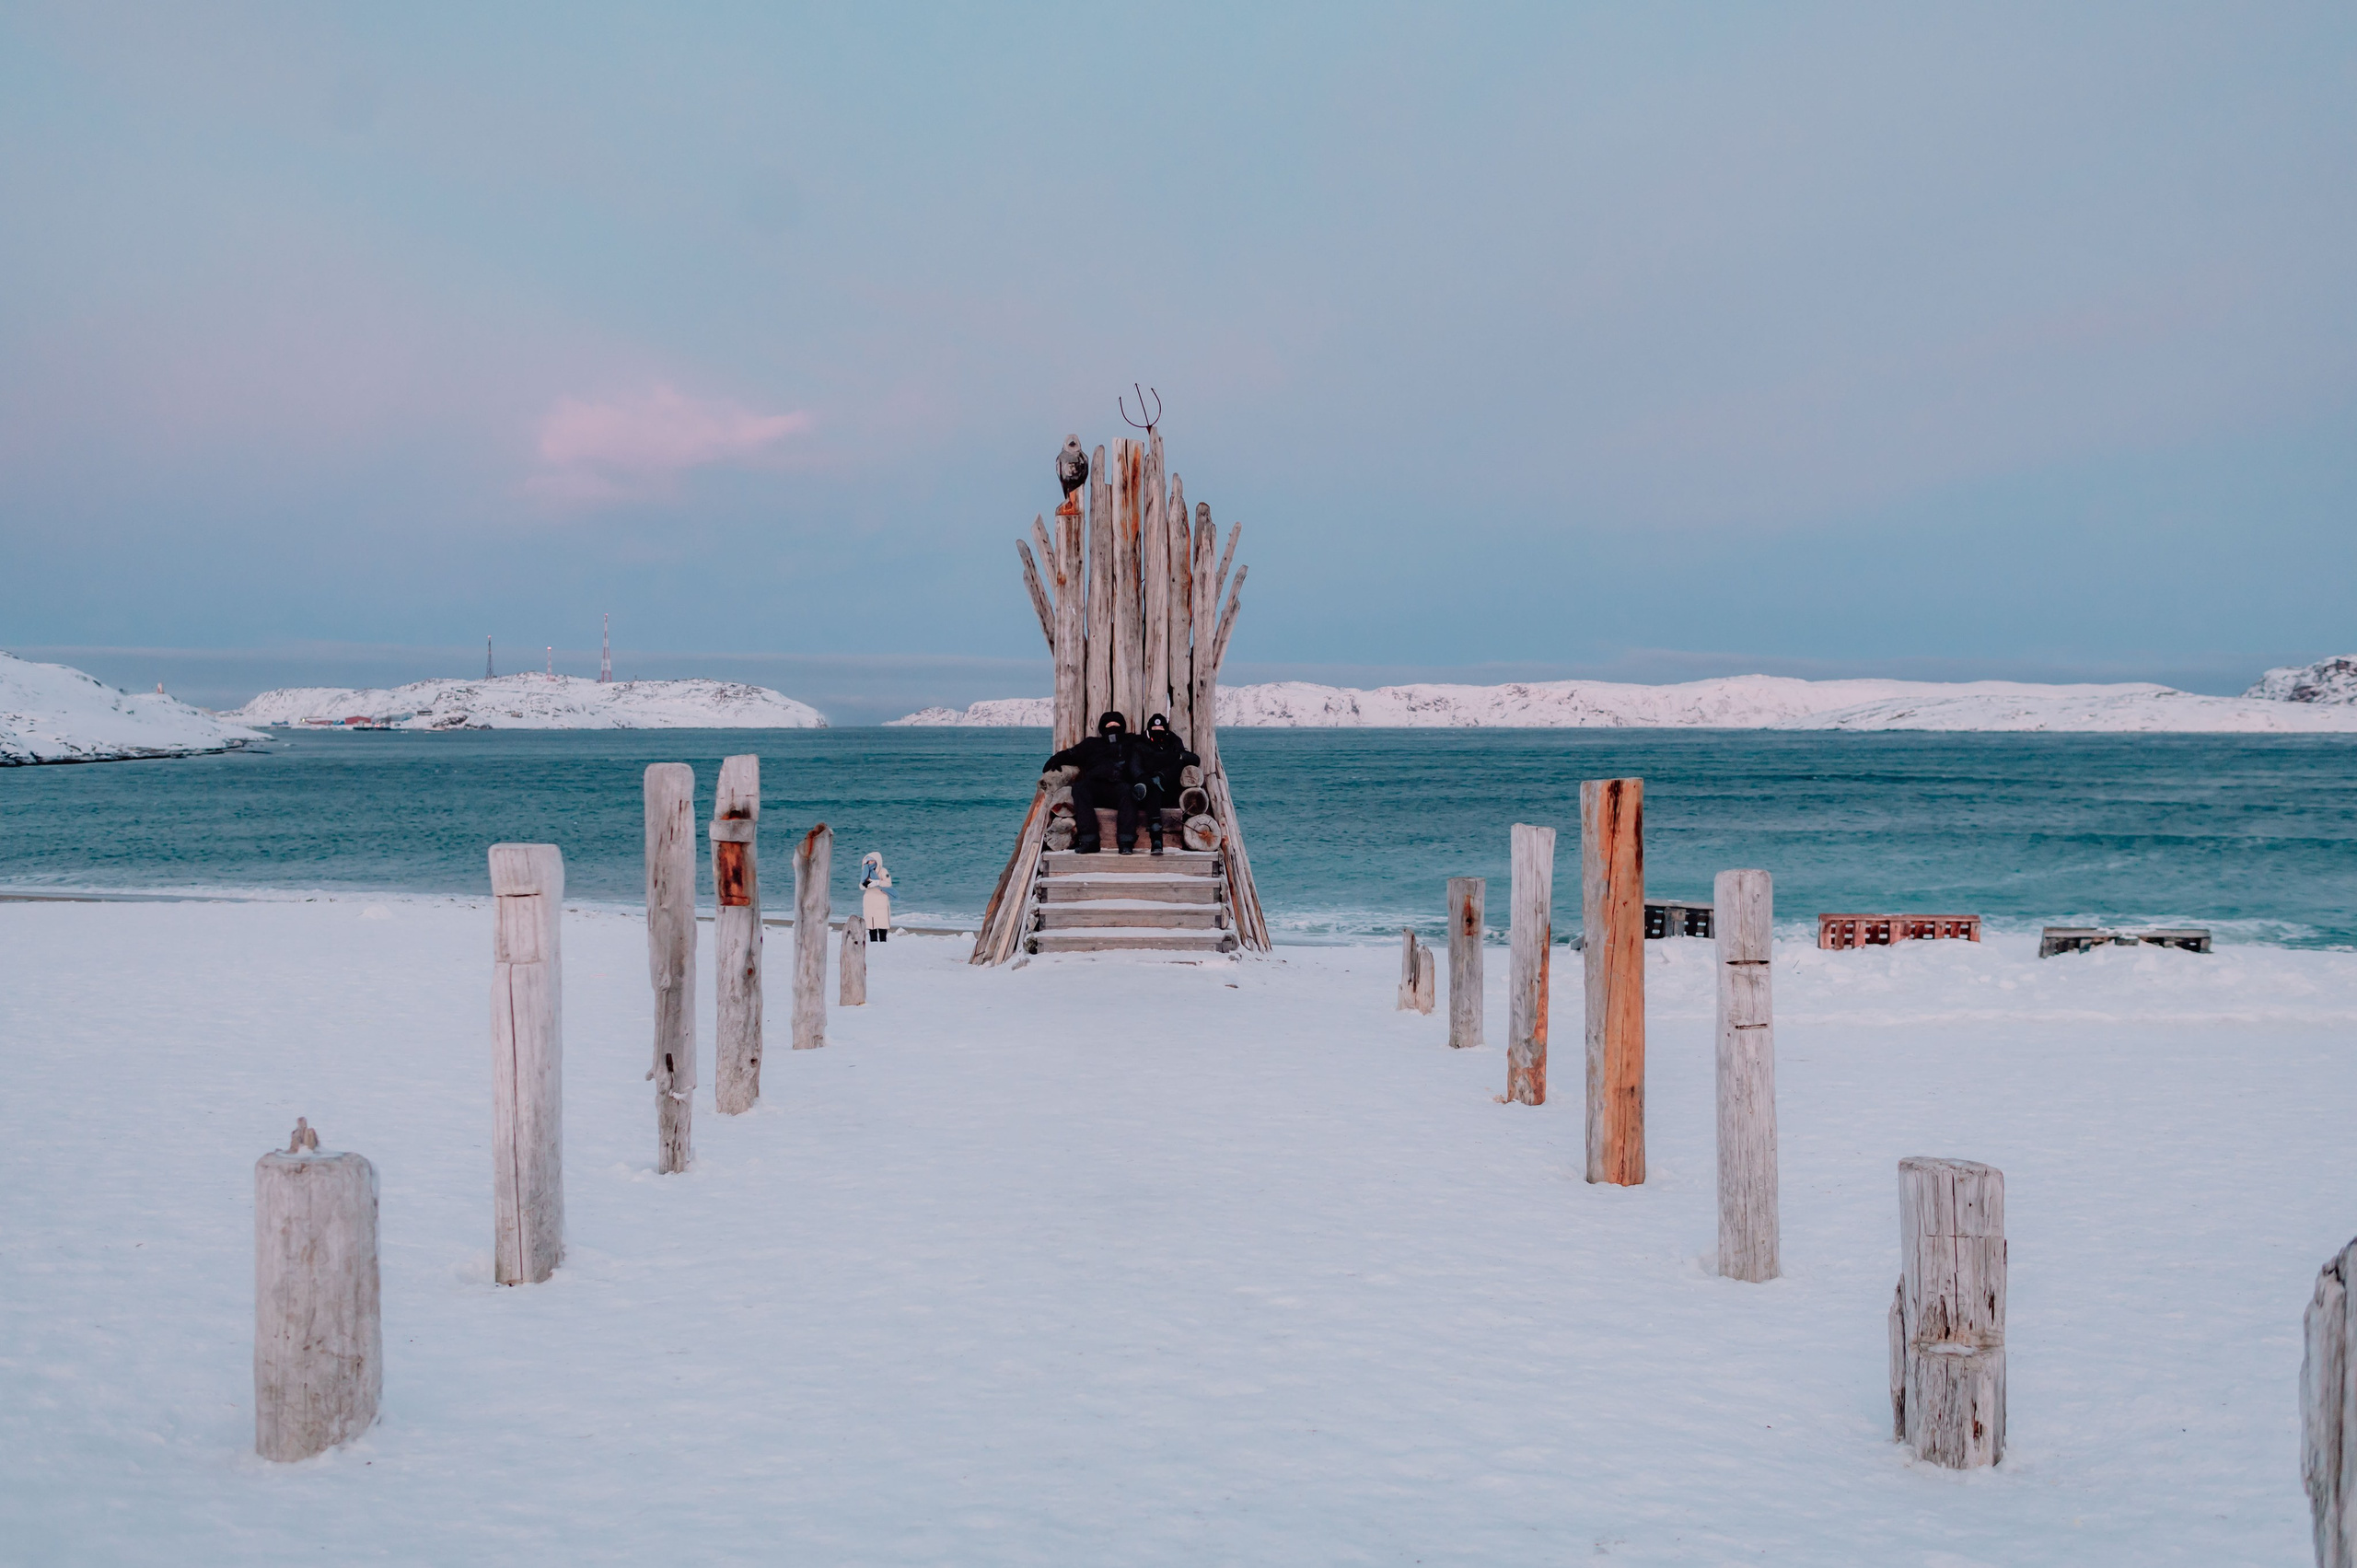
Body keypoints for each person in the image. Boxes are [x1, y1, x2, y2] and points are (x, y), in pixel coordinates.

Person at [1045, 711, 1145, 854]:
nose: (1112, 728)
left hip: (1120, 787)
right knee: (1080, 788)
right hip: (1095, 788)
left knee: (1129, 791)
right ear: (1102, 728)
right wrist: (1056, 759)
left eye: (1116, 725)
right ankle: (1089, 840)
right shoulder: (1091, 744)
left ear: (1122, 727)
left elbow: (1155, 741)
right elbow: (1072, 754)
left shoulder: (1132, 742)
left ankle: (1126, 842)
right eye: (1109, 725)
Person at [1135, 714, 1200, 855]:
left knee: (1176, 764)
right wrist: (1148, 780)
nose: (1157, 730)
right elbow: (1135, 768)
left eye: (1160, 728)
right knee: (1153, 789)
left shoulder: (1173, 742)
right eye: (1154, 728)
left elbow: (1194, 759)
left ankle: (1157, 839)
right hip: (1147, 790)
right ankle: (1156, 839)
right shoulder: (1140, 744)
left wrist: (1179, 759)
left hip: (1169, 789)